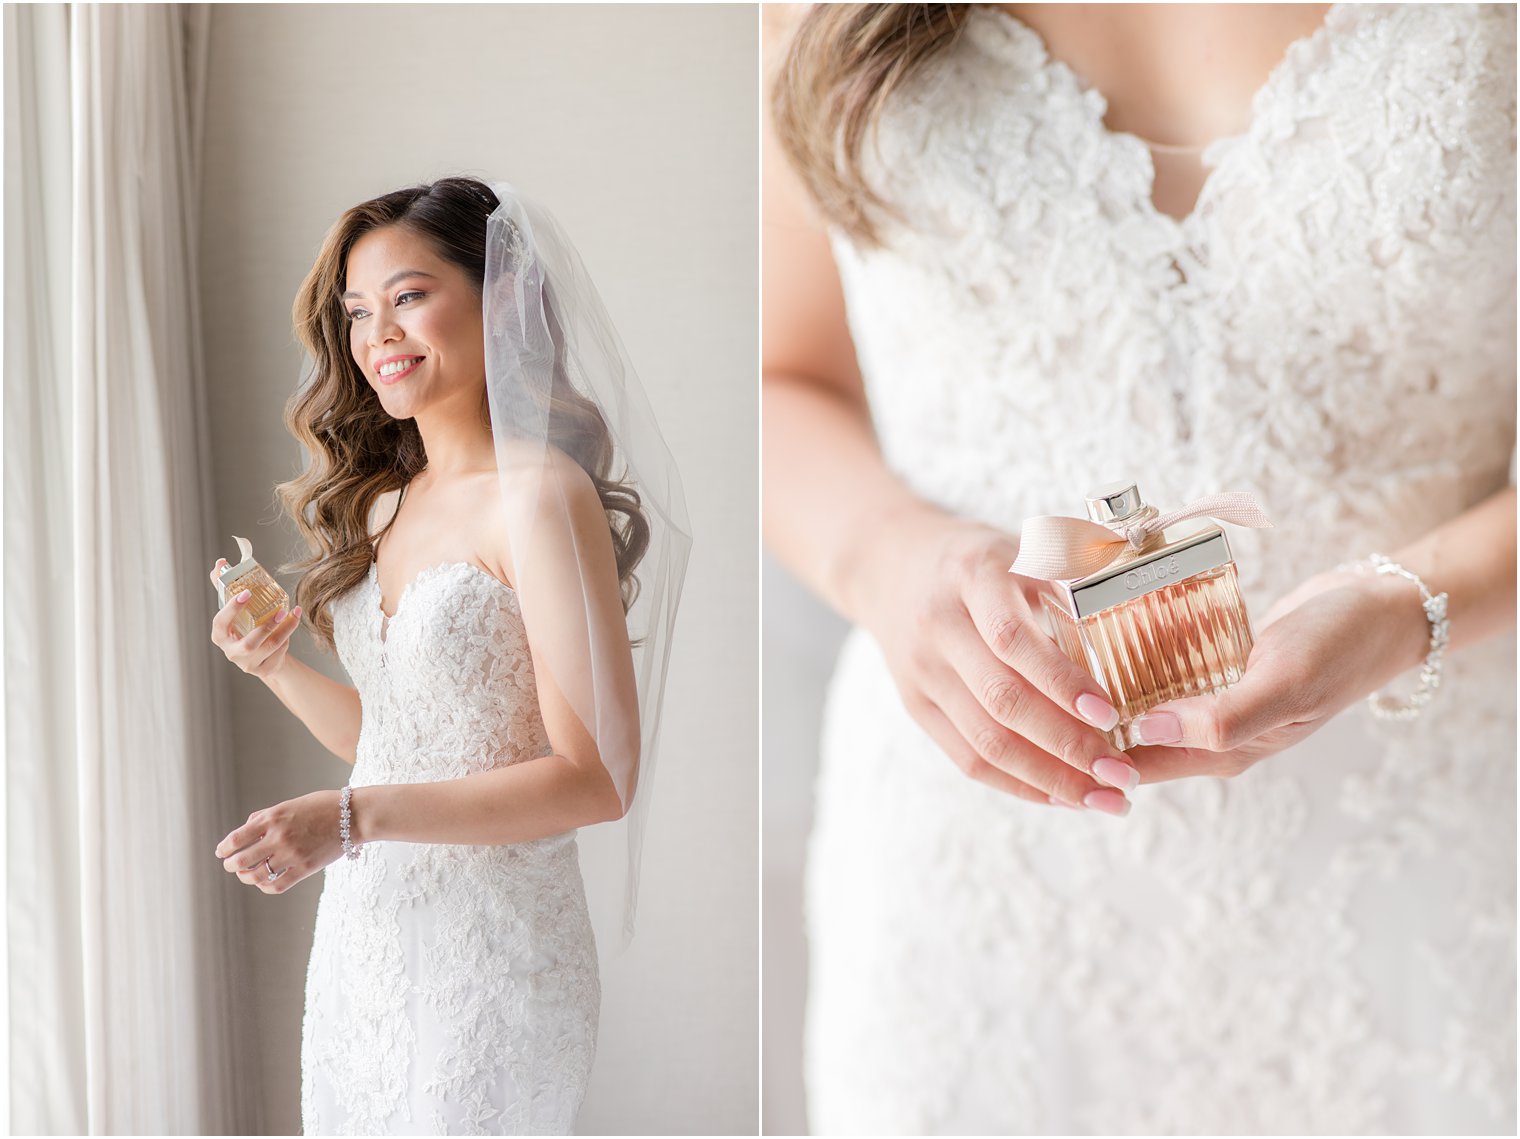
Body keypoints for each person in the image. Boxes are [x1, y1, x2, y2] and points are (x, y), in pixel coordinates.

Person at [764, 4, 1515, 1133]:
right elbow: (781, 376)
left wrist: (1406, 606)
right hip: (980, 868)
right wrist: (888, 562)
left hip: (1429, 857)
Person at [207, 176, 685, 1135]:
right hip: (368, 935)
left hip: (494, 951)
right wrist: (276, 668)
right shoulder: (386, 504)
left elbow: (597, 777)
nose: (378, 332)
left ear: (502, 296)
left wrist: (350, 818)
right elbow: (403, 741)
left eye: (409, 295)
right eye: (357, 312)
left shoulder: (541, 495)